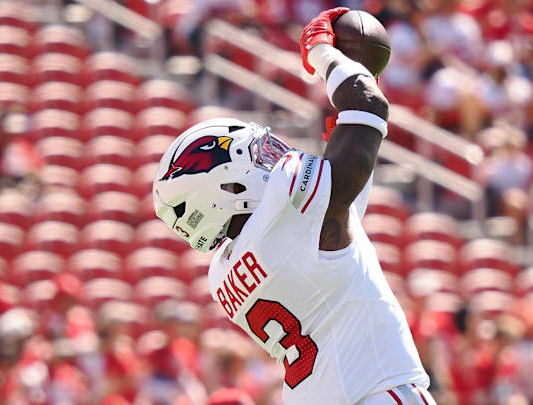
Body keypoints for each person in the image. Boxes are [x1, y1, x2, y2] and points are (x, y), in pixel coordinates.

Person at [151, 7, 435, 405]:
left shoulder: (224, 276)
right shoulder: (287, 205)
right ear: (226, 185)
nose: (269, 157)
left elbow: (342, 207)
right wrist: (323, 54)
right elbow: (368, 107)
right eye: (254, 155)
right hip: (378, 391)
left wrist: (355, 88)